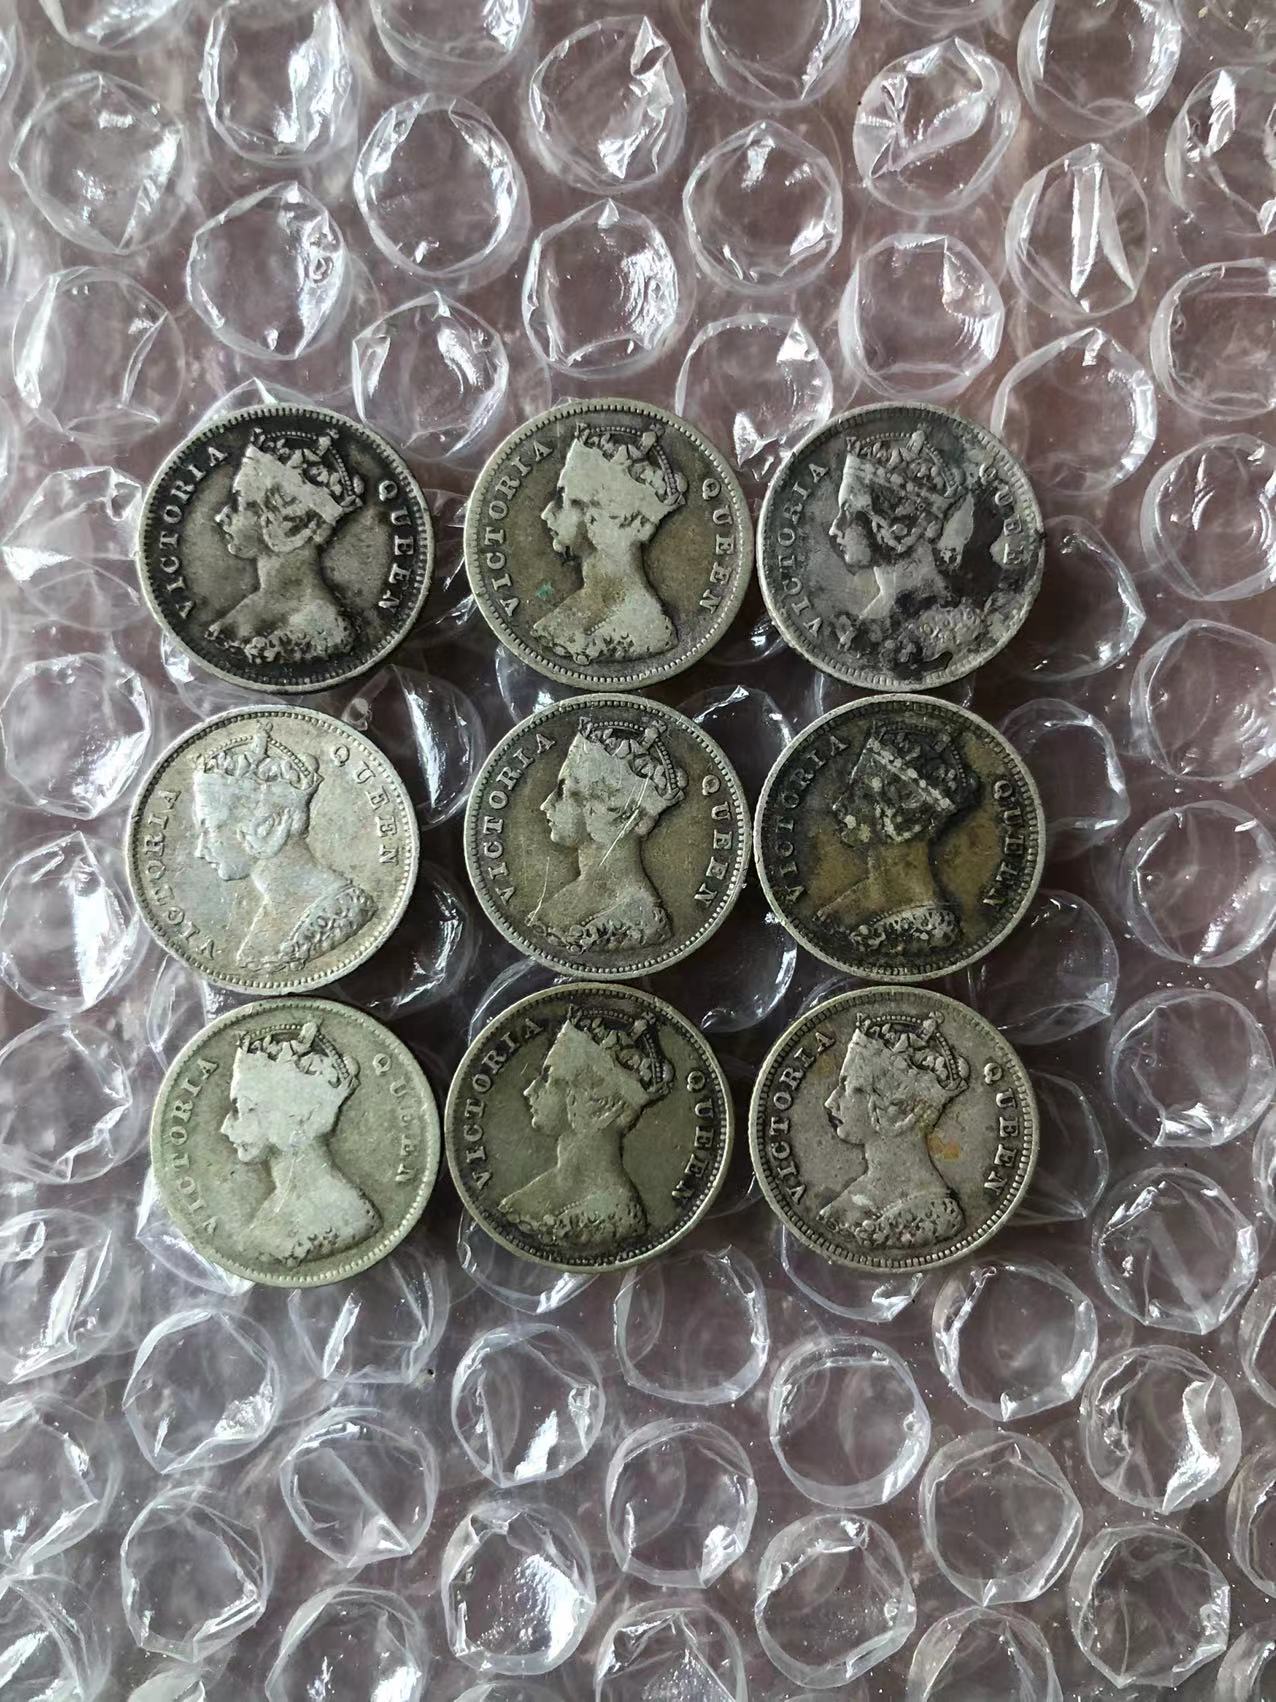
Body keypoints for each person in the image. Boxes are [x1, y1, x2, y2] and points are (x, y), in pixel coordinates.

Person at [192, 726, 375, 974]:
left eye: (211, 829)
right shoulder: (273, 913)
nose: (200, 850)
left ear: (267, 827)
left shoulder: (344, 911)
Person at [500, 1009, 674, 1253]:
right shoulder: (540, 1192)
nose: (529, 1091)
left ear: (598, 1102)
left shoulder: (614, 1218)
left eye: (549, 1079)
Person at [220, 1019, 379, 1267]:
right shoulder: (277, 1206)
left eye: (244, 1109)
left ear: (294, 1117)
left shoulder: (345, 1218)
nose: (225, 1127)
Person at [817, 719, 980, 959]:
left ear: (905, 822)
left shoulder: (928, 933)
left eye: (861, 794)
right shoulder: (850, 903)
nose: (838, 805)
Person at [530, 715, 687, 953]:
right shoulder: (570, 896)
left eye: (562, 792)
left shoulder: (639, 923)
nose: (545, 805)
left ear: (605, 811)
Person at [533, 422, 687, 665]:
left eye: (563, 499)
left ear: (600, 517)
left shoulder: (645, 630)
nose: (546, 513)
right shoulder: (576, 609)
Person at [210, 425, 364, 665]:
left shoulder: (322, 628)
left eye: (239, 504)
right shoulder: (247, 610)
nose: (221, 517)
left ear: (288, 526)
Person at [819, 1012, 970, 1250]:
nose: (830, 1102)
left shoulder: (936, 1217)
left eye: (847, 1087)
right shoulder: (852, 1198)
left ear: (899, 1113)